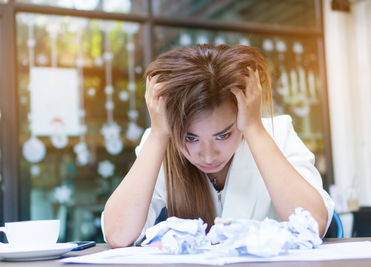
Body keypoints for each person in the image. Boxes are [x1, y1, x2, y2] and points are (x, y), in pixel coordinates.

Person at [102, 44, 334, 248]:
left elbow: (313, 225)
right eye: (190, 138)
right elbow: (118, 235)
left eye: (223, 135)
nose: (208, 155)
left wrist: (253, 129)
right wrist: (158, 134)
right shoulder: (160, 143)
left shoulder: (277, 134)